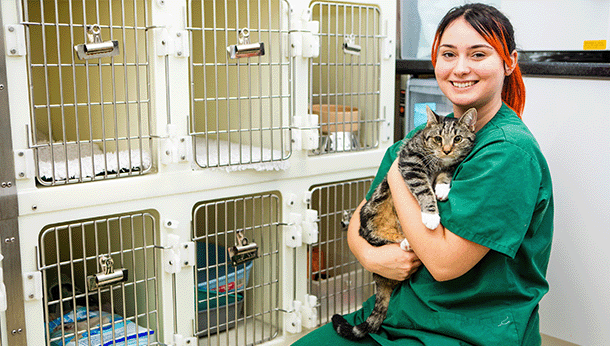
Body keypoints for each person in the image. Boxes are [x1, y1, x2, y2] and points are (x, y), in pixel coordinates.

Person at [293, 3, 553, 345]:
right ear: (436, 61)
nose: (460, 68)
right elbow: (362, 216)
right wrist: (370, 255)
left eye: (478, 54)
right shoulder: (425, 135)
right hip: (398, 313)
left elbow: (444, 265)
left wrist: (401, 175)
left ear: (509, 62)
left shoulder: (508, 153)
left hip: (464, 328)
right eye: (448, 54)